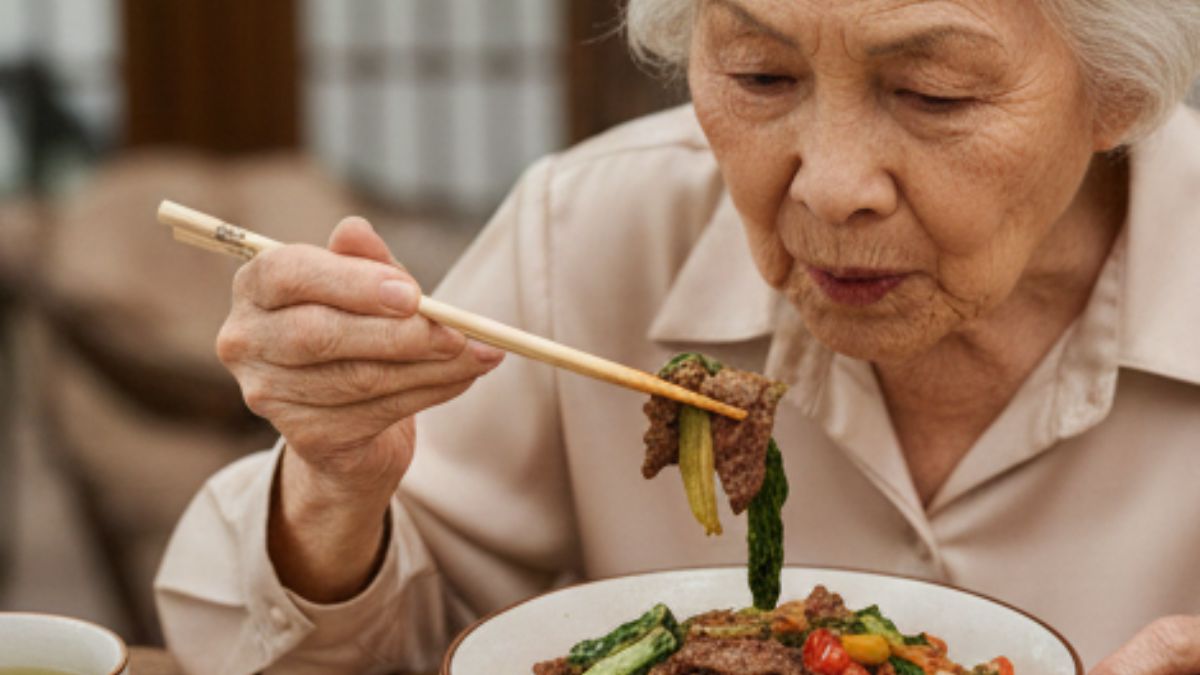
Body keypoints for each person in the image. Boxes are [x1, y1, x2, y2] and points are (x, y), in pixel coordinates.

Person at [154, 1, 1200, 673]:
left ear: (1121, 94)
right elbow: (259, 650)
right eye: (759, 76)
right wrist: (337, 484)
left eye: (933, 93)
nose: (832, 187)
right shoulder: (590, 229)